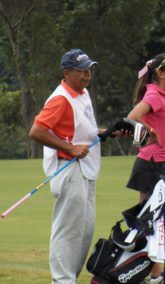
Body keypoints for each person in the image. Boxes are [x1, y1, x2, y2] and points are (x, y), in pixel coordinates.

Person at [29, 49, 104, 283]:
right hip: (69, 168)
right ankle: (61, 280)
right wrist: (70, 148)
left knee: (84, 232)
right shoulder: (61, 98)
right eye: (81, 71)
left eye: (89, 69)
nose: (87, 75)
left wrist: (107, 133)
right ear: (67, 72)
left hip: (86, 169)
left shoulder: (82, 93)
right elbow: (36, 131)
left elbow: (83, 131)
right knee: (69, 232)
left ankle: (68, 278)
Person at [126, 53, 165, 283]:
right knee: (151, 221)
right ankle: (153, 274)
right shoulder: (154, 93)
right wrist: (150, 133)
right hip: (150, 164)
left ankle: (153, 273)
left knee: (154, 220)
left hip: (158, 162)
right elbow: (132, 117)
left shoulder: (161, 94)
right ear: (160, 73)